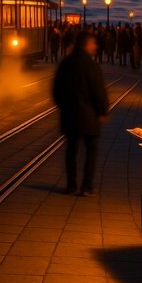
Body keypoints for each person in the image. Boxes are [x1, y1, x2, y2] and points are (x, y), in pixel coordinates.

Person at [52, 31, 109, 196]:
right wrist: (102, 111)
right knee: (91, 151)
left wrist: (63, 106)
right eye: (93, 44)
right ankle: (87, 186)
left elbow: (56, 90)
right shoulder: (91, 65)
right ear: (86, 45)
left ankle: (71, 185)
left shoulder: (66, 64)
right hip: (88, 117)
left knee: (71, 151)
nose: (96, 46)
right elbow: (99, 91)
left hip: (69, 116)